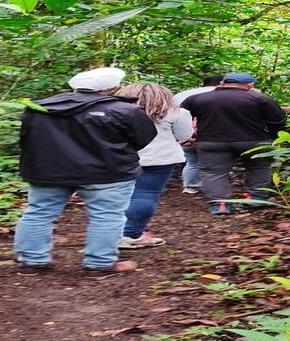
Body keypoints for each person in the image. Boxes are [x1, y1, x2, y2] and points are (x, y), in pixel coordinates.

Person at [13, 67, 157, 277]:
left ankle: (31, 260)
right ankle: (100, 263)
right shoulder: (124, 110)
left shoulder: (39, 108)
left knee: (39, 212)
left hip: (48, 170)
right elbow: (143, 138)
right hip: (107, 172)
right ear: (114, 87)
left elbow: (26, 138)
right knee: (107, 216)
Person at [181, 73, 287, 215]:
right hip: (254, 141)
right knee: (259, 168)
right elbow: (278, 121)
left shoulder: (197, 99)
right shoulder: (261, 99)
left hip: (212, 142)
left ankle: (220, 204)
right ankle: (256, 198)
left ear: (222, 83)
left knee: (213, 172)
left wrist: (188, 136)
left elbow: (182, 117)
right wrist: (272, 138)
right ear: (250, 85)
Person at [116, 82, 193, 249]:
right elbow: (183, 135)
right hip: (159, 159)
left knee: (117, 196)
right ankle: (130, 233)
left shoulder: (116, 111)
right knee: (144, 195)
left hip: (120, 158)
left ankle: (112, 232)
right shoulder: (177, 113)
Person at [173, 75, 224, 194]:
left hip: (186, 133)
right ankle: (213, 187)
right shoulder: (224, 95)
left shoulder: (181, 95)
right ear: (221, 83)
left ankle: (190, 186)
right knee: (218, 163)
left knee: (192, 162)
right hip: (215, 135)